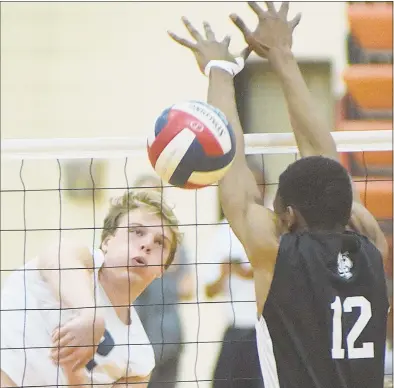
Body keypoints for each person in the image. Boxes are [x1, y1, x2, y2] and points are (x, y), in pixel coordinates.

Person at [168, 2, 389, 387]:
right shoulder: (373, 245)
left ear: (287, 217)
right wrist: (283, 55)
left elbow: (231, 169)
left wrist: (220, 72)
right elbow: (325, 162)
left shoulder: (276, 255)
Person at [1, 189, 181, 387]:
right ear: (107, 242)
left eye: (160, 243)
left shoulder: (140, 359)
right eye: (137, 232)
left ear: (162, 268)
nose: (147, 244)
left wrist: (74, 376)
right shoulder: (74, 257)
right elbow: (58, 257)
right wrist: (90, 315)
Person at [133, 175, 193, 388]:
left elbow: (188, 289)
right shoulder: (124, 239)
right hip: (135, 337)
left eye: (155, 197)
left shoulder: (173, 240)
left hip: (168, 337)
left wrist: (163, 268)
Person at [204, 219, 264, 388]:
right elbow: (209, 290)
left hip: (264, 331)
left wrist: (247, 272)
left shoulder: (271, 223)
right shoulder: (223, 232)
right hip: (235, 330)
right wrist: (226, 272)